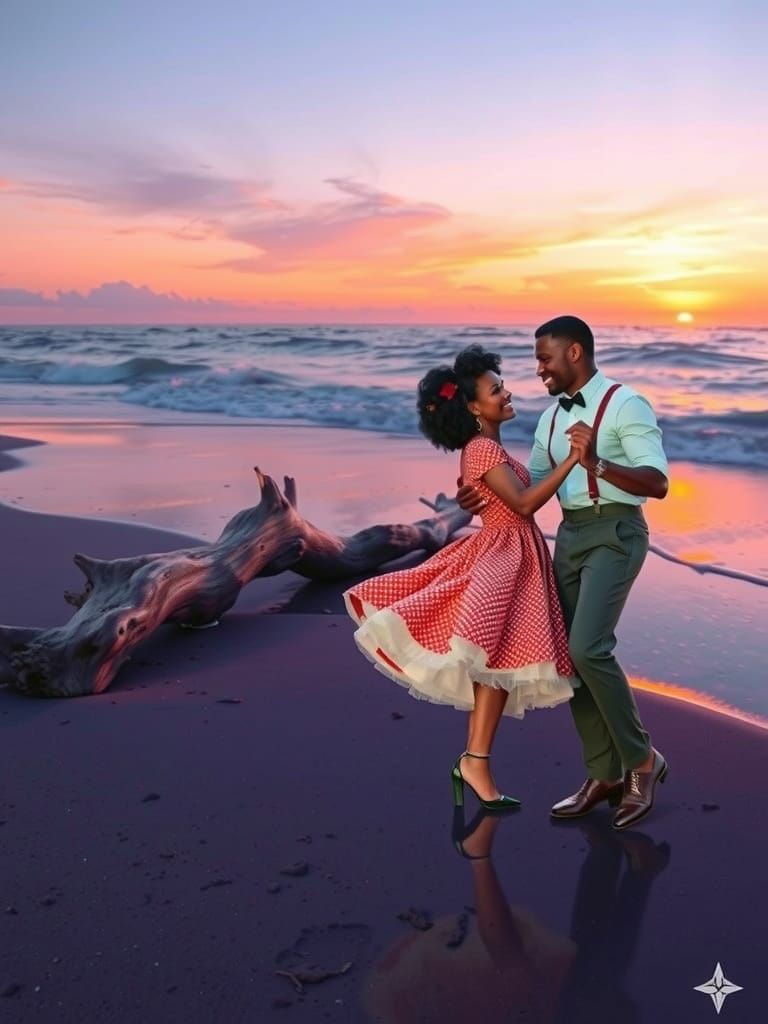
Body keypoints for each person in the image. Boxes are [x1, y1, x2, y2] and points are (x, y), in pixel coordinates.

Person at [344, 344, 580, 811]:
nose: (507, 393)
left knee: (494, 666)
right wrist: (574, 458)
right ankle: (475, 760)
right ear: (474, 406)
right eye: (497, 390)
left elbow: (511, 494)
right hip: (502, 554)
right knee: (489, 660)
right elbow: (526, 503)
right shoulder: (481, 449)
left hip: (514, 553)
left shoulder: (488, 448)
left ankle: (475, 761)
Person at [458, 316, 669, 830]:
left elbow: (657, 482)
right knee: (567, 659)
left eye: (545, 358)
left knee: (588, 647)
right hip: (568, 538)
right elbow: (525, 483)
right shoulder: (550, 419)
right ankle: (603, 774)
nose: (538, 369)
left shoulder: (625, 403)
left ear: (574, 353)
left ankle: (642, 761)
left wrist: (596, 463)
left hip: (616, 534)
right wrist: (478, 490)